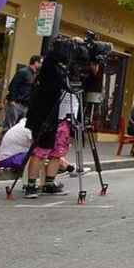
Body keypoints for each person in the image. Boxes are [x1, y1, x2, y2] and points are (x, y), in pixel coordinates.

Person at [21, 41, 76, 197]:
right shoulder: (50, 67)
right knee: (40, 151)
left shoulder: (59, 68)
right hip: (43, 116)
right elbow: (62, 83)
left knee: (57, 152)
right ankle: (31, 185)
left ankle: (49, 183)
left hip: (58, 116)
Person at [0, 54, 40, 140]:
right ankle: (1, 148)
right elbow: (13, 86)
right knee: (9, 127)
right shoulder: (23, 72)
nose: (41, 65)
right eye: (40, 63)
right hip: (17, 104)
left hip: (25, 105)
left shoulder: (34, 75)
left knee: (19, 129)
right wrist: (12, 101)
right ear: (35, 63)